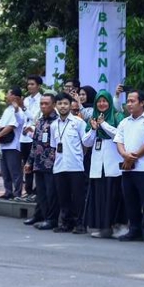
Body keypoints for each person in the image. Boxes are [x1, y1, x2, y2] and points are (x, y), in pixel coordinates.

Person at [114, 89, 144, 243]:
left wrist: (133, 157)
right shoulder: (124, 122)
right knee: (130, 200)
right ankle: (134, 229)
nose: (129, 104)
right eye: (128, 101)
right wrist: (125, 155)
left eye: (133, 101)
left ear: (142, 103)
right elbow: (119, 141)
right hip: (127, 167)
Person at [84, 90, 126, 239]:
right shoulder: (92, 119)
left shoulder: (117, 116)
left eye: (105, 101)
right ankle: (103, 227)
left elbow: (119, 135)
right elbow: (86, 142)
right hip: (97, 164)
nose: (102, 104)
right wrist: (94, 130)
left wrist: (104, 125)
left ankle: (118, 226)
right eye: (99, 102)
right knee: (100, 196)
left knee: (114, 195)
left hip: (113, 163)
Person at [49, 92, 91, 233]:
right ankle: (66, 223)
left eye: (65, 103)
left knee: (78, 197)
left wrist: (80, 156)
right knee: (63, 196)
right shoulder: (54, 125)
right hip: (60, 166)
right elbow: (54, 146)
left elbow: (86, 142)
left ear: (71, 105)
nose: (63, 106)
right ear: (55, 106)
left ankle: (80, 224)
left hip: (76, 166)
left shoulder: (78, 122)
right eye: (60, 103)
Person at [26, 93, 60, 230]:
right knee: (40, 192)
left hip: (52, 163)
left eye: (47, 104)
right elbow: (35, 143)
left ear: (53, 105)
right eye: (42, 104)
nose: (44, 106)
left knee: (51, 193)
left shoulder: (57, 122)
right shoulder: (39, 122)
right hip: (39, 163)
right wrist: (29, 161)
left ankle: (51, 219)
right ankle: (39, 215)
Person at [0, 87, 24, 201]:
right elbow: (1, 124)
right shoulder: (7, 110)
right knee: (5, 171)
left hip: (13, 145)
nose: (6, 96)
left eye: (8, 94)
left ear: (15, 96)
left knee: (14, 170)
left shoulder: (18, 111)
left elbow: (11, 126)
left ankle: (17, 193)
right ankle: (8, 191)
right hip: (3, 145)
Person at [20, 75, 43, 201]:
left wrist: (23, 108)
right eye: (28, 84)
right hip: (24, 137)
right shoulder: (26, 100)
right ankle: (28, 191)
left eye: (32, 84)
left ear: (38, 86)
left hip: (34, 137)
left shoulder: (42, 100)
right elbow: (22, 119)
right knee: (26, 165)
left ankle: (36, 192)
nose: (29, 86)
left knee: (35, 165)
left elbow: (35, 118)